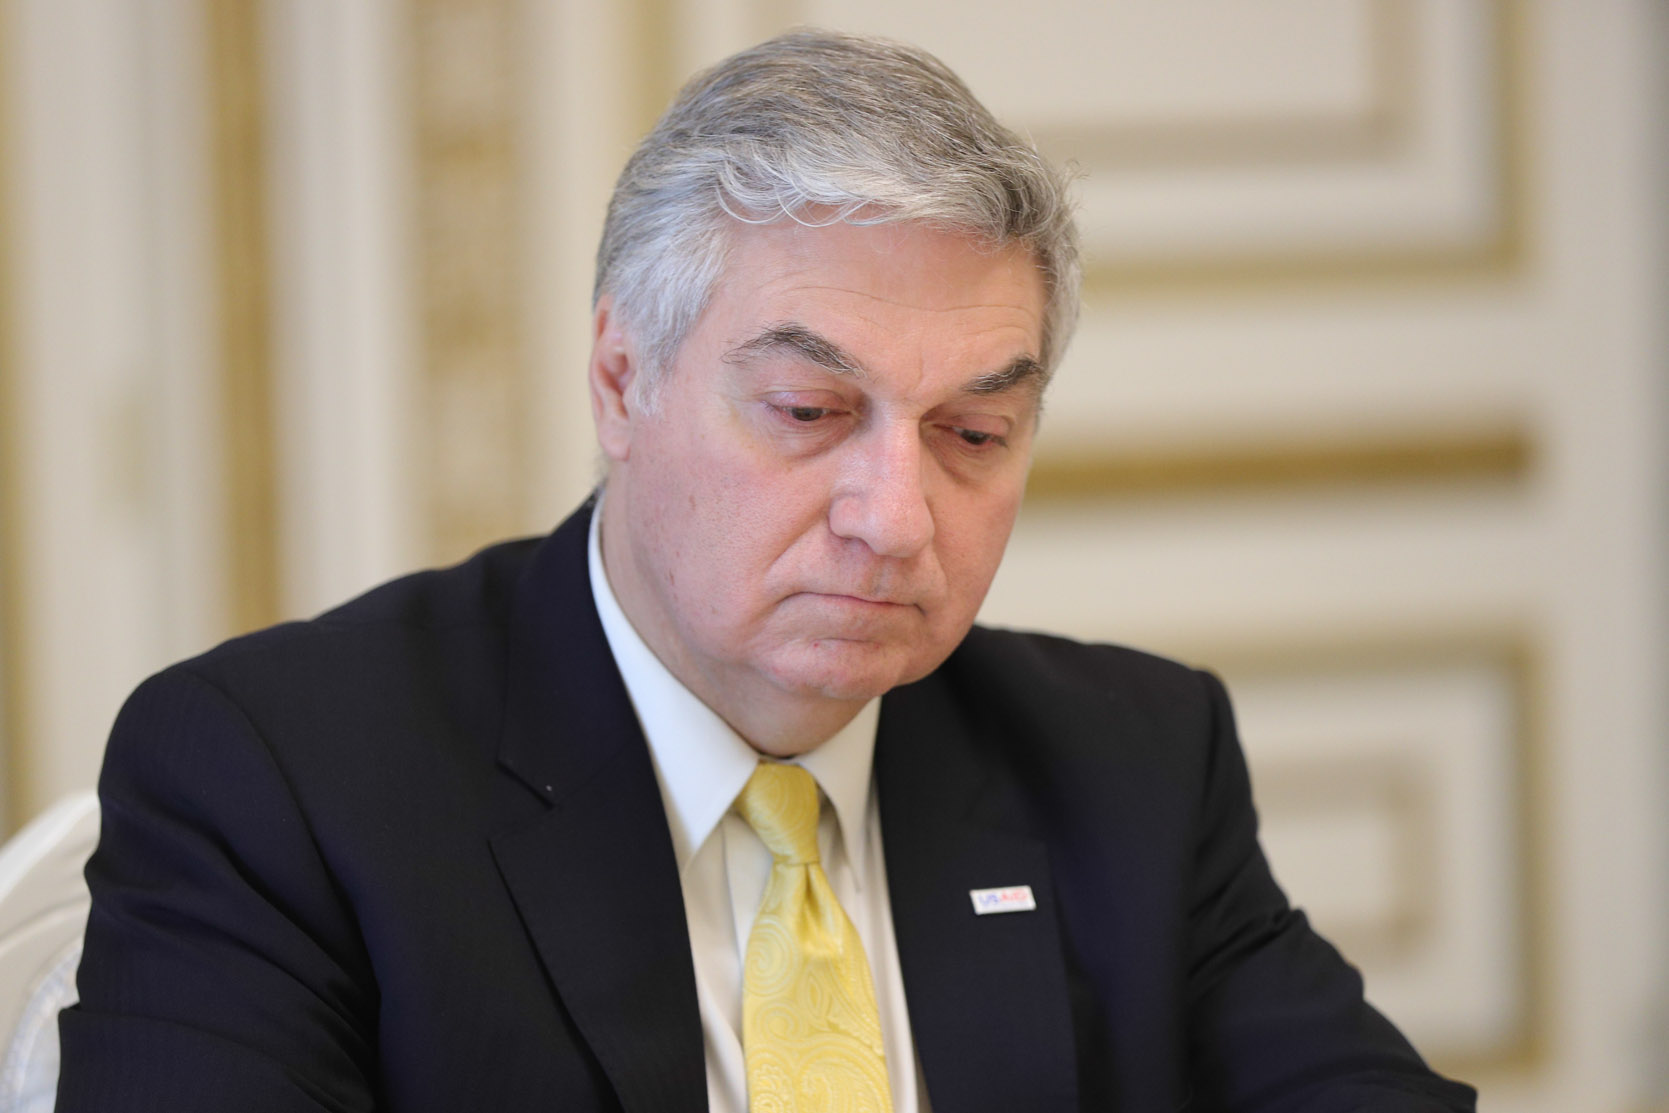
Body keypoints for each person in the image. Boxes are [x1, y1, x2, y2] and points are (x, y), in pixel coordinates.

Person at [57, 28, 1476, 1113]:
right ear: (622, 379)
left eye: (973, 433)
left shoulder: (1132, 765)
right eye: (807, 412)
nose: (895, 517)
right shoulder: (280, 782)